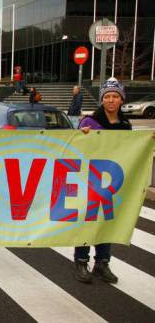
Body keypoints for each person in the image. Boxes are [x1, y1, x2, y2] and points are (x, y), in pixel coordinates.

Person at [73, 78, 131, 284]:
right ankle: (81, 261)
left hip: (112, 182)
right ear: (102, 100)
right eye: (107, 96)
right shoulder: (90, 122)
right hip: (90, 180)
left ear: (121, 100)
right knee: (88, 219)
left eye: (115, 96)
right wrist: (81, 134)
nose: (111, 100)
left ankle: (102, 262)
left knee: (107, 221)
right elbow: (76, 146)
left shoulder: (125, 124)